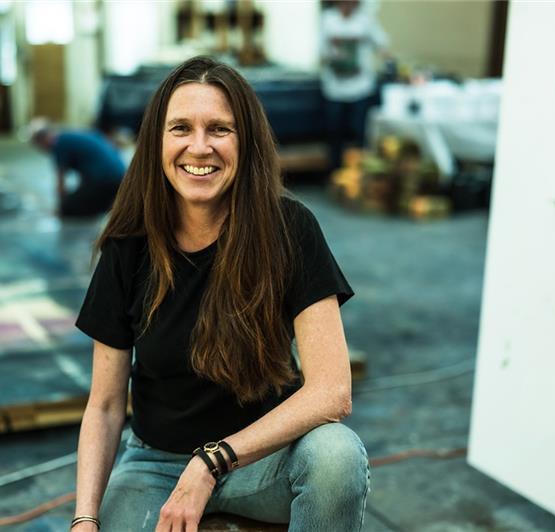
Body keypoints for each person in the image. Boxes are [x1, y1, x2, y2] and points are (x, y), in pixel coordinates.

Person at [71, 56, 369, 531]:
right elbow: (105, 407)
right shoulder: (129, 246)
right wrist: (84, 519)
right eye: (181, 128)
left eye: (219, 129)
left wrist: (212, 462)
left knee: (337, 456)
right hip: (157, 465)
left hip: (267, 458)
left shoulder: (290, 228)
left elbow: (332, 392)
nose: (199, 146)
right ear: (157, 142)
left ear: (244, 141)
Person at [320, 0, 389, 170]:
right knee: (334, 133)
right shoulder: (328, 19)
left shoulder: (365, 20)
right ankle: (336, 172)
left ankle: (359, 172)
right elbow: (320, 51)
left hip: (360, 88)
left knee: (359, 132)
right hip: (334, 89)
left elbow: (382, 45)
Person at [30, 122, 126, 218]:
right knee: (85, 198)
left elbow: (61, 185)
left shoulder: (59, 144)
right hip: (121, 179)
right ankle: (106, 204)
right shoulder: (74, 135)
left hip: (104, 181)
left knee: (68, 208)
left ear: (42, 140)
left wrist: (61, 208)